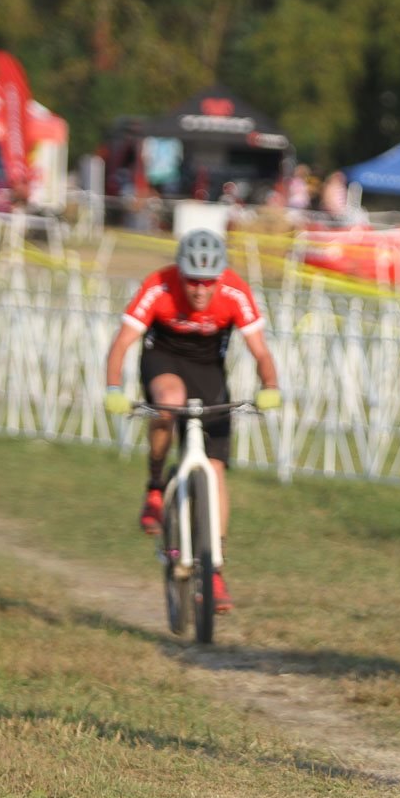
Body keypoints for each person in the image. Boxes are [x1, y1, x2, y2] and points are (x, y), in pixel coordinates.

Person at [103, 229, 282, 613]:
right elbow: (121, 343)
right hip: (163, 359)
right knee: (169, 402)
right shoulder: (158, 286)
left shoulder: (235, 292)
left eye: (208, 282)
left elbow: (261, 352)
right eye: (192, 281)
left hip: (208, 370)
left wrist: (271, 386)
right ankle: (154, 485)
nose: (200, 290)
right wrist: (113, 388)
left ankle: (214, 567)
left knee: (215, 470)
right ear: (179, 273)